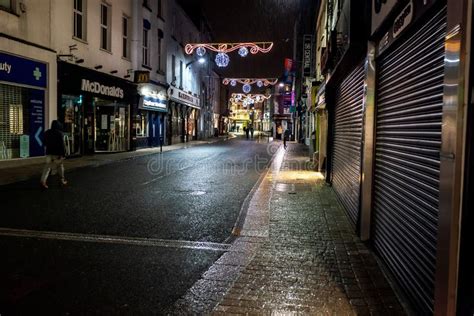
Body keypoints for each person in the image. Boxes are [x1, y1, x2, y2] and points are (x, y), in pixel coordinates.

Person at [40, 120, 67, 188]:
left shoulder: (47, 132)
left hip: (49, 153)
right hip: (57, 154)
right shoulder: (60, 133)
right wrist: (63, 154)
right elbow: (62, 145)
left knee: (47, 167)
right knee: (60, 166)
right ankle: (62, 180)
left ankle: (43, 180)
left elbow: (44, 143)